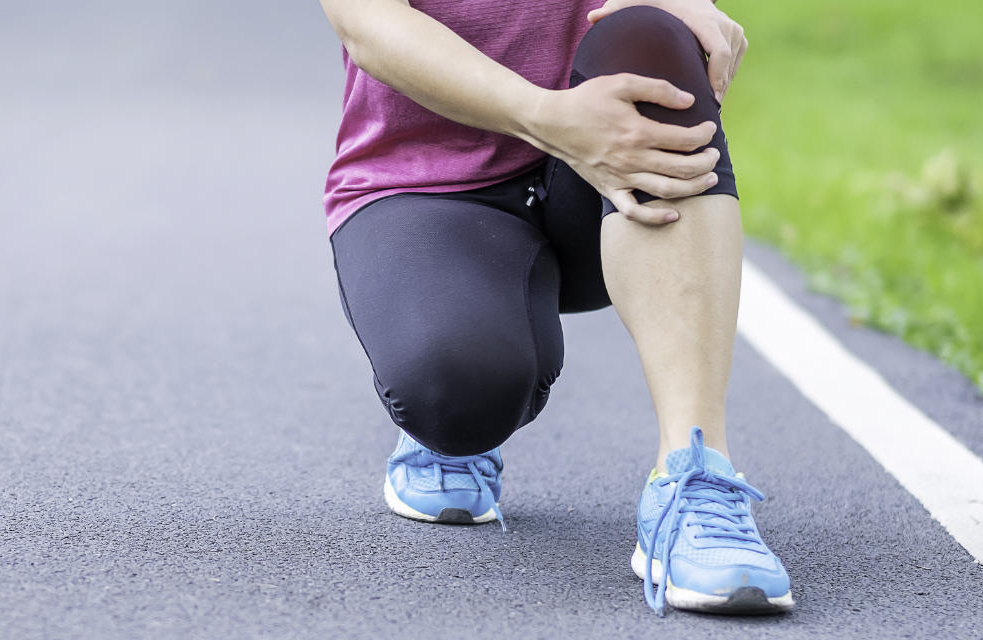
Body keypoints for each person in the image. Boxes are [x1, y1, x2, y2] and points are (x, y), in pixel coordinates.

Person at [317, 0, 790, 615]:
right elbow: (368, 24)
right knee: (458, 392)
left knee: (652, 33)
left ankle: (694, 474)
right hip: (431, 184)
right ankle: (462, 387)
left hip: (598, 176)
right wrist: (544, 117)